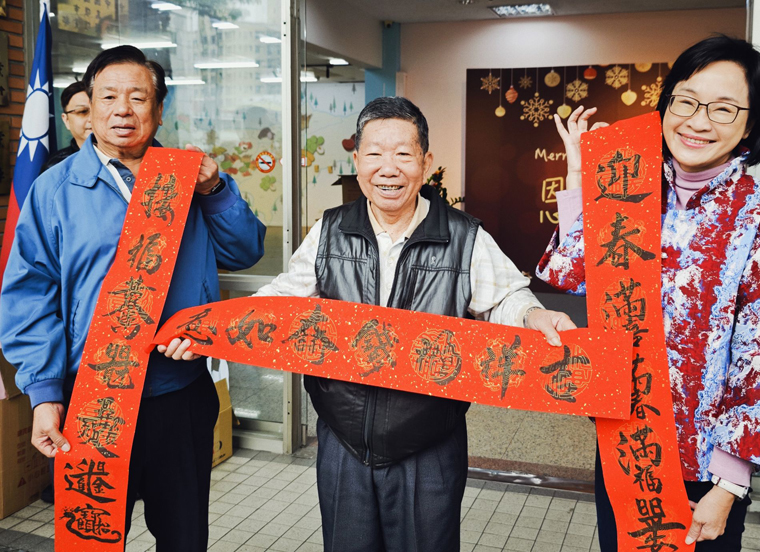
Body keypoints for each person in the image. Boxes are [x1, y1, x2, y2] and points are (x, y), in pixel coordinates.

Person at [162, 96, 575, 551]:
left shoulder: (465, 236)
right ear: (357, 161)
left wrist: (535, 314)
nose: (388, 168)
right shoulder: (329, 230)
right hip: (343, 441)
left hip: (429, 444)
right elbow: (279, 300)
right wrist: (209, 330)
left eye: (403, 153)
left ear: (426, 161)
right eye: (375, 153)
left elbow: (506, 298)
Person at [537, 35, 760, 551]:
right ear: (666, 106)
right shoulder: (632, 188)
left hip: (707, 468)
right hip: (626, 442)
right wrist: (578, 177)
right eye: (686, 100)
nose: (698, 121)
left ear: (750, 126)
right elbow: (570, 272)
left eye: (724, 109)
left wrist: (729, 485)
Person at [0, 45, 266, 551]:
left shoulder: (188, 179)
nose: (123, 109)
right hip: (91, 397)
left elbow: (246, 249)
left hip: (179, 394)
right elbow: (29, 296)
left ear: (159, 110)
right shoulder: (55, 190)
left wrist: (215, 190)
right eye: (108, 97)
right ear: (89, 107)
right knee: (92, 539)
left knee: (184, 536)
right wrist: (44, 394)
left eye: (138, 97)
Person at [41, 80, 92, 173]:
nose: (91, 118)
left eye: (97, 111)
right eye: (82, 111)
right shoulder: (55, 167)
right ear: (66, 120)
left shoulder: (125, 158)